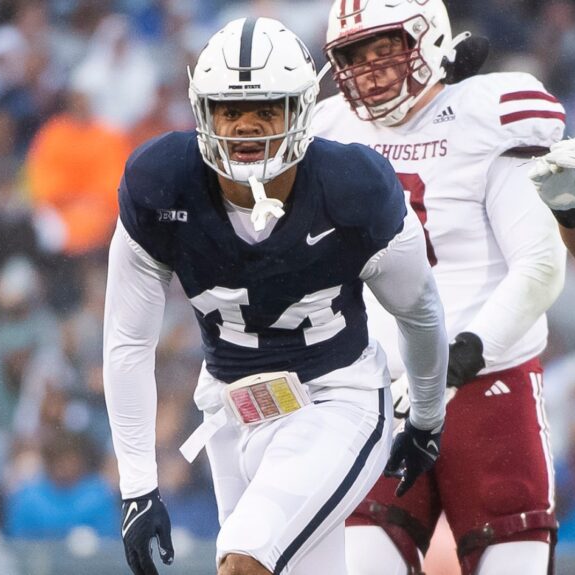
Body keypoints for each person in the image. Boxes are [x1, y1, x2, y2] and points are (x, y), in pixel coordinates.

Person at [103, 17, 449, 575]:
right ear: (202, 113)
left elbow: (420, 311)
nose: (246, 126)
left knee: (244, 561)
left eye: (266, 108)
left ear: (301, 109)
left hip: (336, 400)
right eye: (229, 110)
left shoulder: (353, 185)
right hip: (230, 408)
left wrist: (427, 418)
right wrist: (138, 487)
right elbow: (127, 342)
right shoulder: (161, 181)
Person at [310, 1, 575, 573]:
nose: (371, 69)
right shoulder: (325, 131)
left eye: (385, 48)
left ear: (428, 38)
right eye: (354, 56)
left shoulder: (489, 112)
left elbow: (538, 264)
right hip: (374, 394)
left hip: (487, 384)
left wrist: (461, 355)